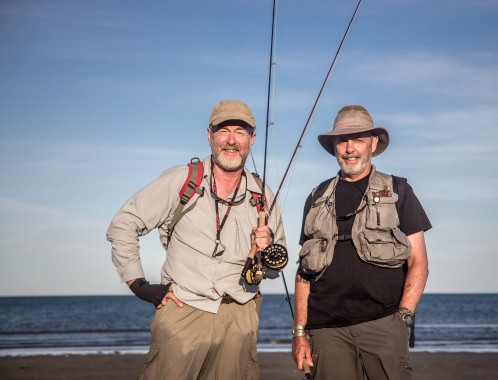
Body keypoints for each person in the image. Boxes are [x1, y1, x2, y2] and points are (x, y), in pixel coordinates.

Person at [106, 99, 286, 380]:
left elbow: (275, 269)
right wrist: (139, 285)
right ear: (209, 135)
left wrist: (267, 250)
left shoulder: (263, 195)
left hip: (240, 317)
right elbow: (124, 224)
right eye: (223, 131)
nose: (230, 140)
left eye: (240, 132)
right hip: (183, 312)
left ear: (252, 139)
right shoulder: (182, 179)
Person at [291, 105, 431, 380]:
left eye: (358, 139)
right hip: (327, 331)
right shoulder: (315, 197)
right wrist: (299, 333)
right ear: (334, 145)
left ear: (373, 143)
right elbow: (303, 272)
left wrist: (403, 317)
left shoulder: (399, 190)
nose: (350, 148)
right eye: (342, 140)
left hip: (383, 325)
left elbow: (419, 262)